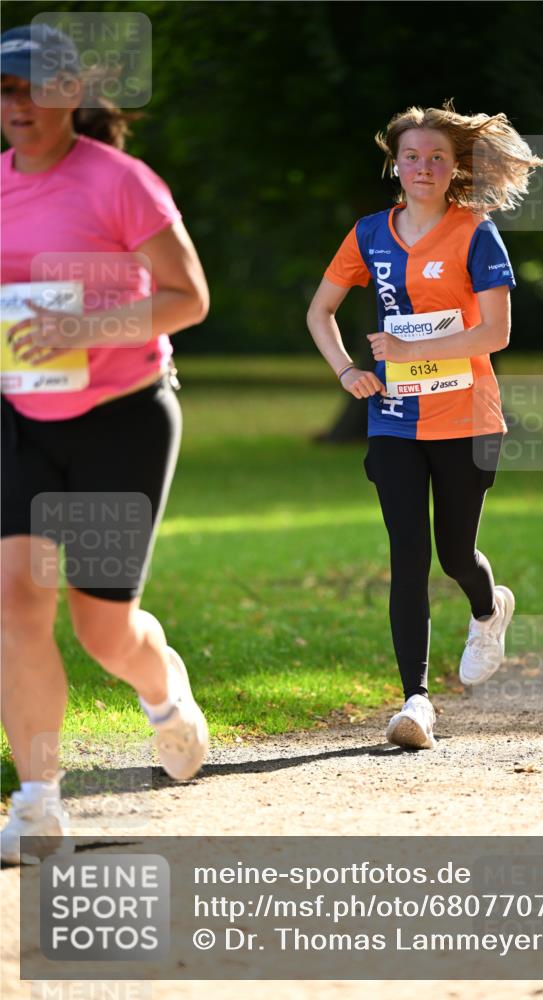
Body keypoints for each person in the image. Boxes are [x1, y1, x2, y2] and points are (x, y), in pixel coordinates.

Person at [0, 24, 210, 864]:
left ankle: (163, 696)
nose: (15, 106)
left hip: (120, 419)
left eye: (30, 89)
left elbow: (188, 298)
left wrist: (82, 327)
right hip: (18, 417)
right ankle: (39, 805)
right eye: (3, 91)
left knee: (103, 632)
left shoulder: (121, 184)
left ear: (69, 95)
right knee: (15, 601)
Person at [307, 102, 543, 750]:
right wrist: (346, 373)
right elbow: (321, 311)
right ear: (394, 163)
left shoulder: (475, 233)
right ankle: (415, 701)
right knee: (406, 557)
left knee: (453, 553)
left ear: (453, 168)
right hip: (393, 421)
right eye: (411, 156)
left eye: (436, 157)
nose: (423, 167)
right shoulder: (368, 234)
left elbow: (495, 332)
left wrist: (415, 353)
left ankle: (487, 606)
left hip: (466, 415)